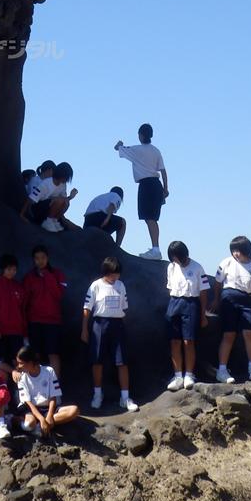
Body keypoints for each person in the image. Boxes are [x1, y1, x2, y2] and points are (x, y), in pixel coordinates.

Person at [82, 256, 138, 412]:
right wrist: (84, 329)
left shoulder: (121, 285)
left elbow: (124, 307)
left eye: (118, 274)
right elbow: (87, 309)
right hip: (99, 325)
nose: (116, 277)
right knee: (97, 361)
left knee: (122, 361)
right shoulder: (95, 286)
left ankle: (125, 397)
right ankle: (97, 394)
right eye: (113, 274)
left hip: (117, 324)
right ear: (106, 272)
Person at [212, 235, 251, 383]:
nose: (236, 253)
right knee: (228, 334)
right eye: (233, 250)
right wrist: (216, 300)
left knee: (249, 333)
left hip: (247, 300)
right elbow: (217, 283)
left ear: (246, 250)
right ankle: (222, 370)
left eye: (239, 250)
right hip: (229, 298)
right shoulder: (226, 262)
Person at [114, 124, 169, 259]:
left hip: (146, 185)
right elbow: (163, 171)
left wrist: (119, 144)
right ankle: (155, 247)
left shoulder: (136, 150)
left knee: (150, 218)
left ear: (141, 135)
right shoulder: (156, 151)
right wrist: (166, 188)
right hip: (157, 185)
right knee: (151, 218)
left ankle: (156, 250)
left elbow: (118, 148)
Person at [165, 241, 210, 391]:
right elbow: (170, 288)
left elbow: (203, 292)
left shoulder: (197, 268)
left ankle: (189, 374)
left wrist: (203, 314)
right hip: (174, 302)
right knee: (174, 341)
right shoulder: (171, 267)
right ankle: (177, 375)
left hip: (191, 303)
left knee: (188, 341)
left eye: (178, 257)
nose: (176, 261)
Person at [15, 345, 79, 437]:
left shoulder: (49, 371)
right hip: (30, 408)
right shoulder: (22, 377)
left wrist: (49, 415)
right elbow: (28, 402)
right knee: (29, 425)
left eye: (21, 363)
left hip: (47, 408)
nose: (19, 366)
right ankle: (14, 420)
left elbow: (53, 396)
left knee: (74, 410)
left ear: (30, 362)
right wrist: (41, 419)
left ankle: (41, 426)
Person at [22, 245, 67, 376]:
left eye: (43, 257)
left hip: (53, 322)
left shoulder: (57, 274)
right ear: (33, 260)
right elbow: (24, 302)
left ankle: (55, 390)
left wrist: (47, 276)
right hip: (34, 321)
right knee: (34, 355)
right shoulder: (29, 277)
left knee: (53, 354)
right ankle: (36, 388)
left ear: (47, 258)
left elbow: (58, 295)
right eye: (37, 258)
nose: (40, 261)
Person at [0, 254, 27, 363]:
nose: (12, 272)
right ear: (3, 269)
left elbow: (23, 311)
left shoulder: (19, 287)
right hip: (0, 332)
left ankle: (19, 381)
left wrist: (25, 332)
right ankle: (2, 381)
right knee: (1, 362)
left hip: (17, 332)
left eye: (14, 269)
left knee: (18, 362)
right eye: (9, 269)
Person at [21, 161, 79, 232]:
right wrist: (22, 214)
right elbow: (31, 199)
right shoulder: (46, 183)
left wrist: (70, 197)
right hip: (38, 209)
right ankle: (48, 221)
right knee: (60, 200)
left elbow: (64, 200)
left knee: (65, 202)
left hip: (50, 208)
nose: (66, 180)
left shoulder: (63, 185)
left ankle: (54, 220)